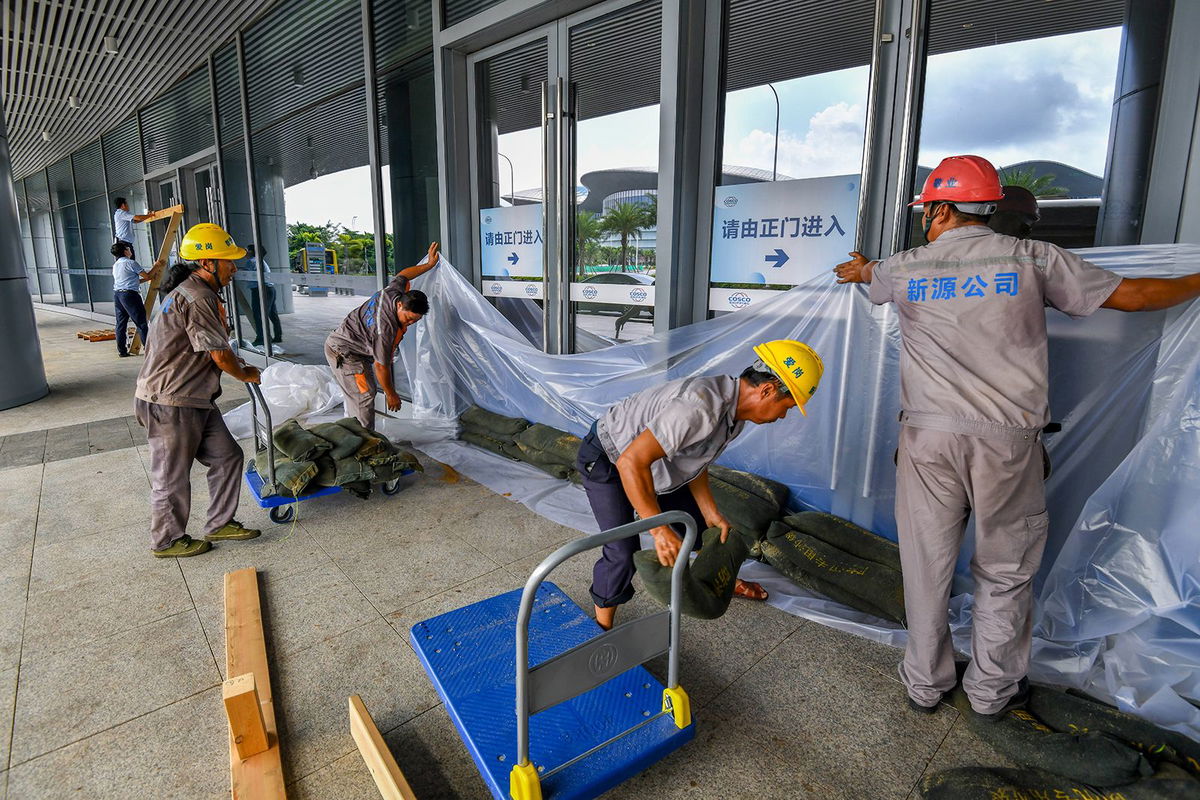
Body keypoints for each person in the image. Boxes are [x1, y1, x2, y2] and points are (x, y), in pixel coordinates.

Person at [833, 154, 1200, 722]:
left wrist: (861, 267)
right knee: (1005, 572)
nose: (926, 221)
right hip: (1006, 445)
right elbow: (1134, 296)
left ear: (944, 209)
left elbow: (868, 276)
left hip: (928, 442)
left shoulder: (906, 267)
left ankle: (925, 685)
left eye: (928, 211)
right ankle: (991, 693)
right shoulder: (1032, 259)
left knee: (926, 567)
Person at [578, 340, 824, 630]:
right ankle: (601, 627)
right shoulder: (700, 407)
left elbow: (695, 460)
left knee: (703, 528)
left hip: (650, 463)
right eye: (787, 406)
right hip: (609, 457)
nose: (783, 415)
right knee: (622, 551)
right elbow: (630, 463)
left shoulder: (733, 415)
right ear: (767, 390)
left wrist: (709, 511)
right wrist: (658, 529)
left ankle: (710, 581)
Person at [134, 223, 263, 558]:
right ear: (207, 263)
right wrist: (244, 372)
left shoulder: (193, 293)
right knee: (172, 475)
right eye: (228, 261)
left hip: (195, 399)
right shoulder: (198, 296)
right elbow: (219, 355)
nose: (234, 267)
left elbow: (211, 344)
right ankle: (166, 541)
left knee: (228, 456)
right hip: (171, 401)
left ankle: (220, 522)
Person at [324, 241, 440, 430]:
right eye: (408, 319)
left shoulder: (394, 293)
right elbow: (381, 366)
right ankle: (363, 445)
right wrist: (391, 394)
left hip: (354, 345)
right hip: (344, 352)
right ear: (400, 306)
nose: (409, 323)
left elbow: (403, 274)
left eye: (414, 321)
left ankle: (353, 431)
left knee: (358, 394)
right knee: (364, 395)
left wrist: (428, 265)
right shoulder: (385, 329)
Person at [111, 242, 163, 358]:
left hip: (118, 295)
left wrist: (148, 278)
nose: (130, 250)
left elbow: (133, 281)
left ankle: (122, 351)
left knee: (121, 324)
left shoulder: (116, 265)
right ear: (125, 251)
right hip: (130, 296)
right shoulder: (131, 263)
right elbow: (147, 276)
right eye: (128, 249)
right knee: (141, 323)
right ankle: (150, 351)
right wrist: (157, 265)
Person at [239, 243, 283, 347]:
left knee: (259, 315)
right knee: (272, 314)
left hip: (260, 290)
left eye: (246, 250)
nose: (244, 252)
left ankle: (262, 338)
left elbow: (246, 274)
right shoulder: (260, 261)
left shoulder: (251, 261)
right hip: (270, 289)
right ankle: (278, 336)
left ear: (251, 251)